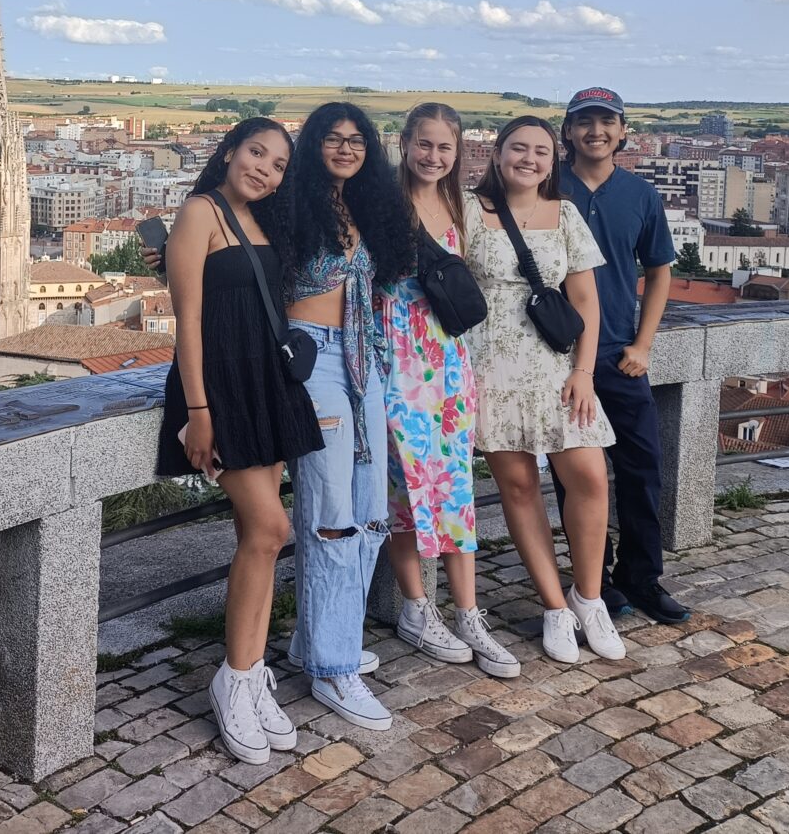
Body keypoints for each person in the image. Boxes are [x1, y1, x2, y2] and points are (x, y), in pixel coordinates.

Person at [154, 117, 321, 765]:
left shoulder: (264, 222)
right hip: (219, 387)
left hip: (265, 381)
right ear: (229, 152)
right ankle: (234, 679)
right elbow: (186, 319)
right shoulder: (201, 212)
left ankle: (248, 676)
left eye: (278, 164)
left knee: (263, 535)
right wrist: (199, 409)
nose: (265, 169)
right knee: (270, 527)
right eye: (257, 153)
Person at [462, 115, 626, 663]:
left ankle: (589, 597)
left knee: (589, 476)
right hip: (489, 366)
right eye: (517, 148)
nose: (528, 159)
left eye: (539, 150)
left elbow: (586, 301)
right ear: (497, 153)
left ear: (551, 160)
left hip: (556, 366)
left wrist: (584, 371)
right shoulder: (468, 211)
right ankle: (554, 606)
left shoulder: (567, 215)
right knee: (518, 487)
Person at [283, 103, 416, 730]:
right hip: (315, 361)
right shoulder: (288, 203)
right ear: (314, 146)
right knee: (332, 517)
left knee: (368, 513)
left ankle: (321, 643)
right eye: (332, 139)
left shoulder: (367, 206)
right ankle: (333, 670)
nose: (344, 148)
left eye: (355, 139)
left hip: (369, 361)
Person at [379, 103, 520, 678]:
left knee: (455, 484)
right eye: (425, 145)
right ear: (406, 143)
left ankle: (468, 613)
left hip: (451, 361)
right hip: (396, 357)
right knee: (407, 488)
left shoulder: (460, 204)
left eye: (445, 148)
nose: (434, 157)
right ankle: (417, 609)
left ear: (457, 152)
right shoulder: (382, 205)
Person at [554, 86, 690, 625]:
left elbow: (659, 272)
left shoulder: (640, 194)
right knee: (577, 480)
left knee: (642, 471)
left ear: (623, 131)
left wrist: (643, 343)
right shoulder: (545, 185)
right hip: (558, 360)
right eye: (584, 122)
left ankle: (641, 576)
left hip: (618, 356)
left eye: (606, 122)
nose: (596, 131)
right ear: (567, 132)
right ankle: (597, 581)